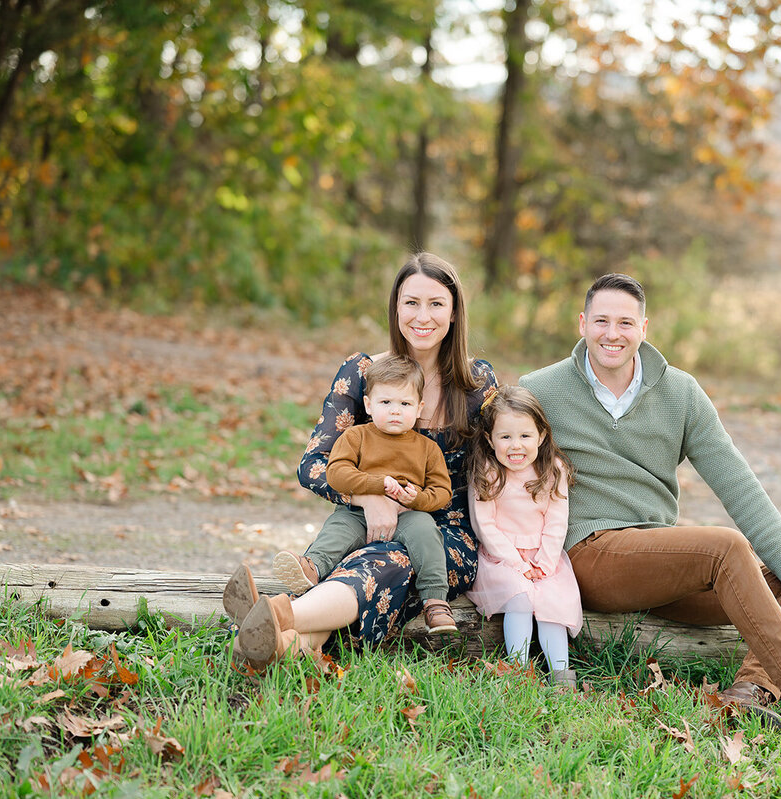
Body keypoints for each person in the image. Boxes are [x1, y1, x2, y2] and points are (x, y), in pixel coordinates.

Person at [520, 273, 781, 737]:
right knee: (726, 547)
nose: (612, 333)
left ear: (644, 328)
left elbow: (739, 486)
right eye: (601, 321)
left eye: (625, 322)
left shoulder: (681, 393)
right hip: (589, 551)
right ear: (582, 323)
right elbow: (495, 466)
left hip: (659, 560)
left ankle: (747, 694)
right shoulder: (541, 390)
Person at [223, 253, 497, 666]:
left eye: (437, 303)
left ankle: (281, 613)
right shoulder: (363, 372)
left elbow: (505, 468)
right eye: (411, 302)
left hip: (443, 535)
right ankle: (287, 646)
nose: (423, 316)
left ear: (455, 312)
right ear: (395, 308)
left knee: (389, 561)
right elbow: (314, 464)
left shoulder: (477, 384)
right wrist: (369, 498)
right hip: (366, 517)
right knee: (356, 554)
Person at [270, 354, 458, 633]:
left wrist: (415, 499)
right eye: (386, 403)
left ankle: (435, 601)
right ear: (368, 405)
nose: (395, 411)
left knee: (426, 533)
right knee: (338, 529)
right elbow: (336, 473)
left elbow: (441, 491)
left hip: (409, 514)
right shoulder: (356, 437)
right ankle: (313, 567)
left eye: (405, 404)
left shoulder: (427, 448)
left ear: (419, 408)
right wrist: (377, 485)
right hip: (358, 512)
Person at [465, 386, 583, 688]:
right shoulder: (487, 472)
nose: (515, 446)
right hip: (500, 559)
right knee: (519, 597)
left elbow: (557, 522)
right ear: (490, 439)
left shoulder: (552, 469)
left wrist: (544, 562)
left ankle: (561, 676)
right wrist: (518, 564)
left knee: (551, 604)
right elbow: (485, 526)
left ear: (541, 436)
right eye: (505, 437)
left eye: (525, 436)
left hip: (545, 558)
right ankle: (517, 672)